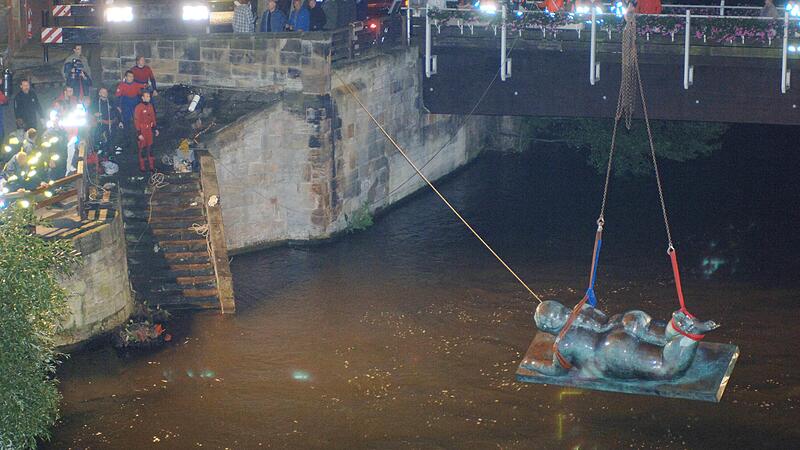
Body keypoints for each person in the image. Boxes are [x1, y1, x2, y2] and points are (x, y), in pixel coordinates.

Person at [521, 300, 720, 380]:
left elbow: (557, 371)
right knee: (658, 334)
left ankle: (690, 334)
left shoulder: (563, 343)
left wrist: (532, 363)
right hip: (625, 320)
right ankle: (677, 326)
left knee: (666, 366)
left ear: (547, 328)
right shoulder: (581, 307)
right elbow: (596, 314)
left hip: (613, 349)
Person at [92, 87, 121, 157]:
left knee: (112, 138)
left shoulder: (111, 102)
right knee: (98, 136)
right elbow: (89, 112)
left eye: (106, 92)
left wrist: (120, 121)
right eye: (103, 92)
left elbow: (117, 112)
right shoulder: (95, 103)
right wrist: (94, 114)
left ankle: (111, 153)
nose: (105, 94)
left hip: (111, 124)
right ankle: (100, 151)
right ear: (99, 93)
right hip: (100, 124)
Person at [134, 91, 159, 172]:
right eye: (146, 96)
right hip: (142, 130)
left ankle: (151, 166)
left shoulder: (150, 106)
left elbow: (153, 118)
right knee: (143, 149)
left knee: (150, 148)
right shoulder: (138, 107)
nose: (148, 98)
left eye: (149, 96)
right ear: (142, 97)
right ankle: (142, 167)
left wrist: (155, 128)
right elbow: (136, 120)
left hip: (149, 130)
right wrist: (139, 133)